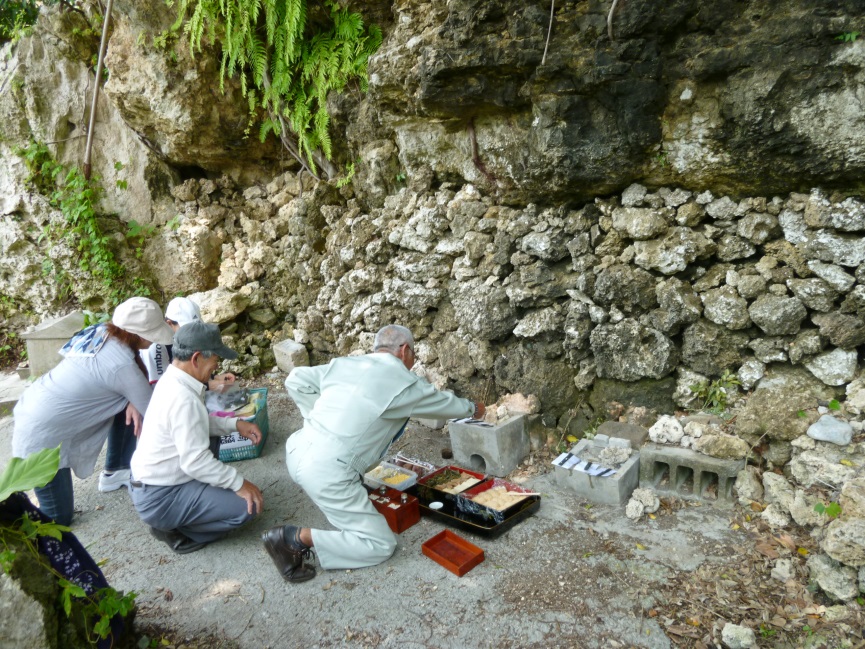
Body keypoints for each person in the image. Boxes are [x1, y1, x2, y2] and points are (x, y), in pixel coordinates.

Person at [262, 324, 485, 583]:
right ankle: (293, 539)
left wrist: (317, 423)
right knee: (380, 544)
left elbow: (296, 379)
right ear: (404, 351)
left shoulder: (344, 364)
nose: (412, 362)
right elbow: (444, 404)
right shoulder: (403, 381)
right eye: (413, 355)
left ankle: (344, 492)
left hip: (298, 449)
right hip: (327, 473)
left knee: (345, 474)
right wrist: (473, 408)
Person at [12, 297, 175, 525]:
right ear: (138, 334)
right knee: (57, 519)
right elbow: (158, 415)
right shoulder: (121, 365)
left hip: (36, 406)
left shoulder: (101, 332)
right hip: (41, 434)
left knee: (130, 404)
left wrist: (131, 400)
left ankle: (117, 469)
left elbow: (127, 386)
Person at [129, 321, 264, 554]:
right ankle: (177, 531)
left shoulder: (173, 379)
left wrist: (235, 423)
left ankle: (189, 508)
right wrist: (239, 484)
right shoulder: (183, 398)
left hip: (152, 483)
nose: (217, 365)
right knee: (247, 507)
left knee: (213, 445)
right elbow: (195, 461)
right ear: (197, 358)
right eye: (214, 359)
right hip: (160, 496)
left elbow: (195, 425)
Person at [98, 297, 235, 492]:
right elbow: (161, 393)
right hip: (148, 403)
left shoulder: (179, 342)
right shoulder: (156, 347)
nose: (190, 334)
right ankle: (117, 468)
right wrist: (210, 385)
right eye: (184, 327)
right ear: (169, 324)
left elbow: (190, 373)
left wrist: (212, 380)